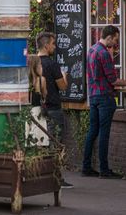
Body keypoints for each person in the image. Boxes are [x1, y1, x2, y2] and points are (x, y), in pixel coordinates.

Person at [82, 25, 126, 179]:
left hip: (93, 96)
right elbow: (113, 80)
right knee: (104, 134)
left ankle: (86, 167)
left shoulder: (91, 50)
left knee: (92, 131)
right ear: (110, 36)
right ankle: (104, 170)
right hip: (105, 97)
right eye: (115, 39)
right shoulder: (104, 54)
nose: (115, 43)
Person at [36, 31, 72, 188]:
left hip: (36, 109)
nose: (54, 47)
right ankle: (56, 178)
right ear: (46, 45)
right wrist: (65, 76)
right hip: (53, 108)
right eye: (52, 44)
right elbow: (62, 87)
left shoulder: (32, 62)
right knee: (56, 143)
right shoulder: (52, 64)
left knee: (38, 143)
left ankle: (40, 175)